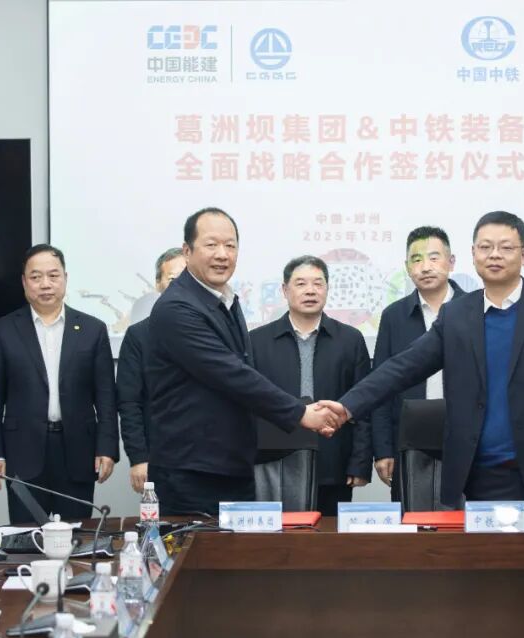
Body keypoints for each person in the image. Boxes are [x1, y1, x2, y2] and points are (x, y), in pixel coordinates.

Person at [323, 211, 524, 514]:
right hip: (477, 473)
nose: (494, 254)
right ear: (473, 254)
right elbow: (404, 366)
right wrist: (347, 406)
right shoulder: (456, 315)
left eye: (506, 247)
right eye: (485, 247)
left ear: (523, 255)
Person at [145, 207, 340, 515]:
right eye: (211, 245)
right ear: (187, 250)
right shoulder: (177, 308)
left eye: (230, 245)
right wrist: (300, 413)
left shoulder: (224, 299)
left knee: (238, 547)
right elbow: (231, 374)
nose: (222, 255)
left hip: (230, 463)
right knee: (197, 547)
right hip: (192, 470)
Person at [0, 244, 118, 524]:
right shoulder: (2, 331)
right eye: (36, 277)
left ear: (65, 278)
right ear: (24, 282)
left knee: (77, 535)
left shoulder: (93, 329)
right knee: (27, 535)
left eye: (53, 276)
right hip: (23, 451)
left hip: (78, 450)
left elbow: (105, 397)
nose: (45, 284)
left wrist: (107, 448)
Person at [250, 256, 373, 515]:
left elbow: (364, 406)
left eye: (318, 284)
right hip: (274, 464)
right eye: (301, 283)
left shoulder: (350, 339)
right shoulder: (257, 342)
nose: (310, 291)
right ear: (285, 290)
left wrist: (360, 462)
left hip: (333, 460)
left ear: (327, 289)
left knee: (329, 537)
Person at [371, 226, 465, 497]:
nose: (425, 267)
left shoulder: (475, 308)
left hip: (466, 436)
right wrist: (383, 449)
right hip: (408, 440)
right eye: (416, 259)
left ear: (451, 262)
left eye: (434, 258)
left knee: (465, 518)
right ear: (407, 267)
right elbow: (381, 385)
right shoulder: (394, 316)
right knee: (412, 517)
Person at [117, 247, 186, 492]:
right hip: (159, 457)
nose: (182, 285)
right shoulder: (138, 336)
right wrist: (138, 457)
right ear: (158, 285)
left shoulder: (213, 330)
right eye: (173, 279)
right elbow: (129, 402)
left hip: (209, 457)